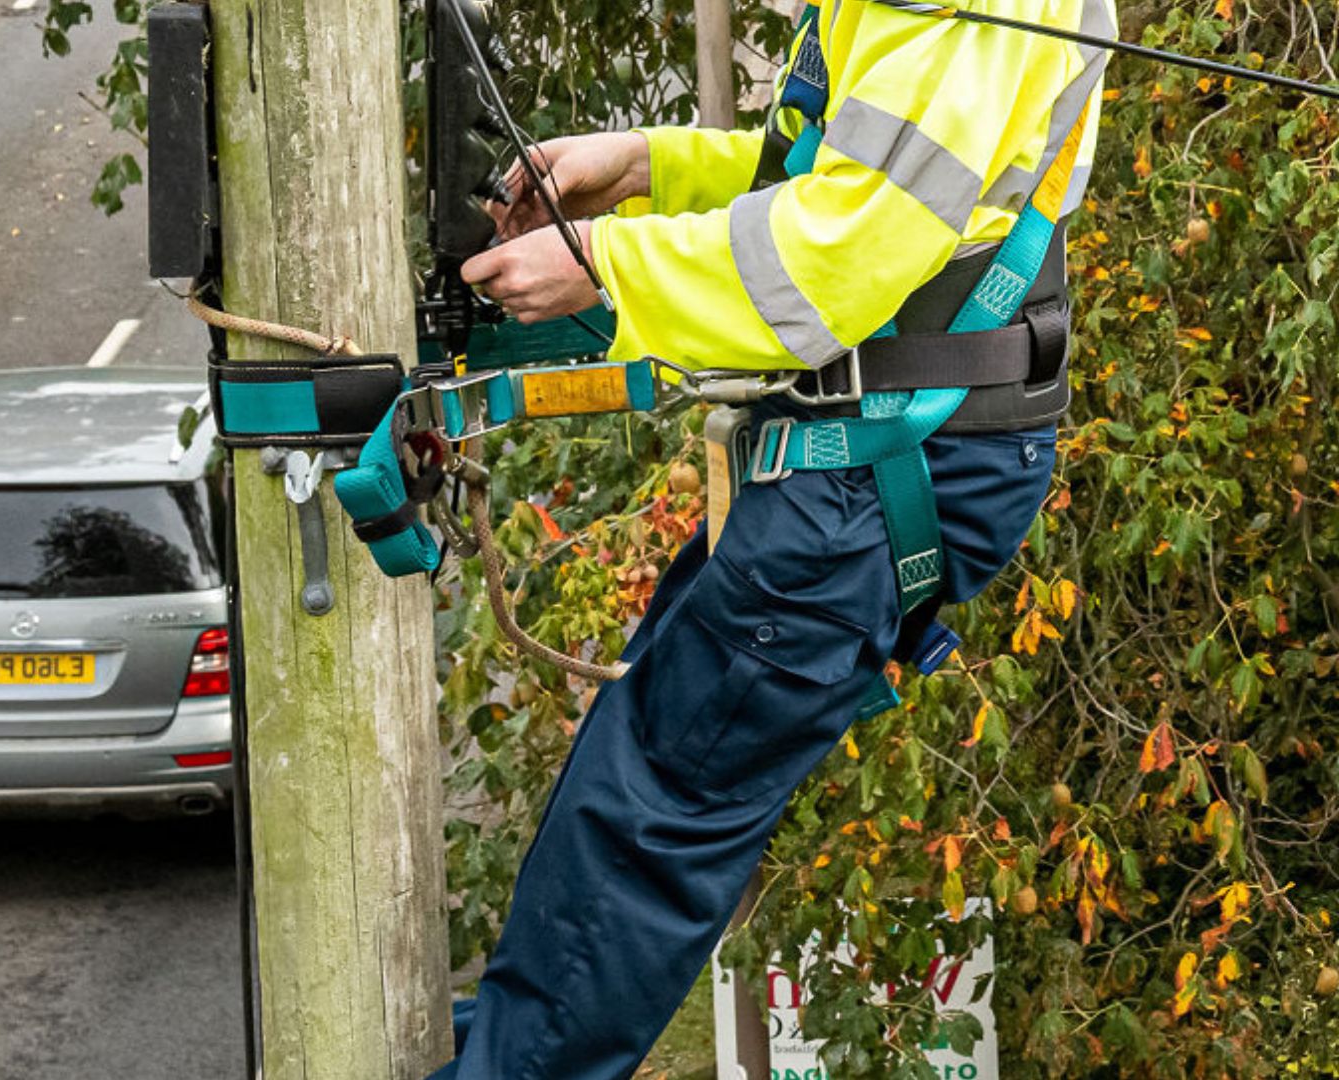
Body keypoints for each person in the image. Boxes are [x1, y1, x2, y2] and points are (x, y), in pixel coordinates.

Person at [430, 0, 1112, 1076]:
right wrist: (651, 167)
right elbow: (833, 176)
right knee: (641, 773)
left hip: (887, 462)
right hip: (875, 458)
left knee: (649, 816)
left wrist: (612, 266)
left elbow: (840, 254)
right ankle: (507, 1047)